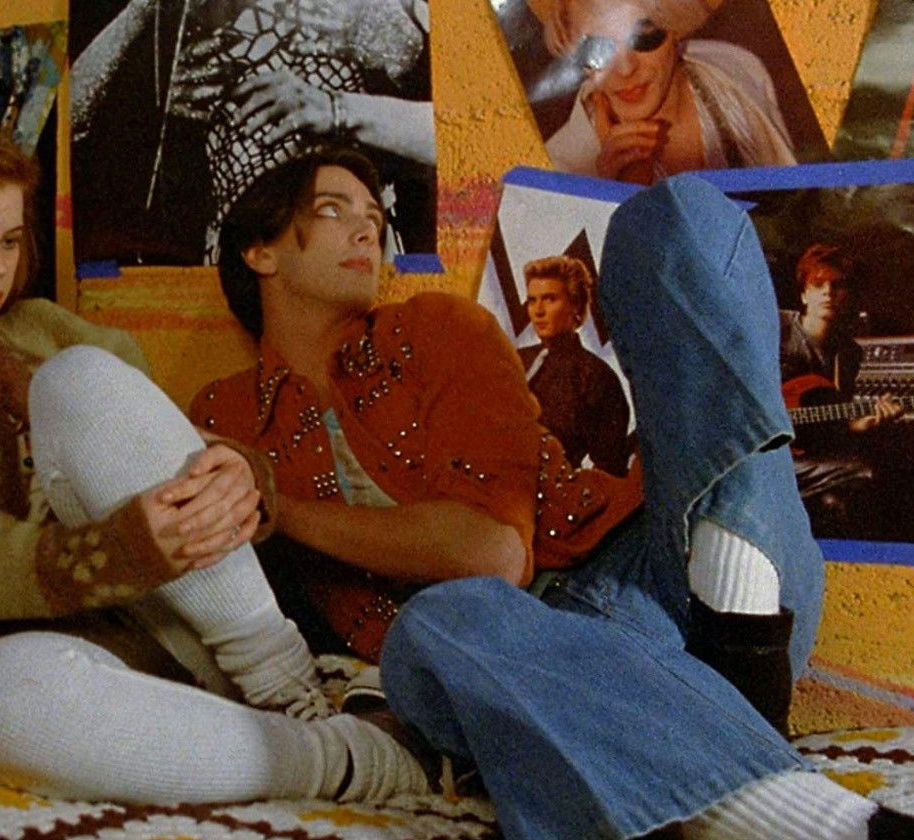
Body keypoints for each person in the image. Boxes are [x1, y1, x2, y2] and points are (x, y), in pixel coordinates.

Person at [191, 148, 909, 839]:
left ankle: (733, 653)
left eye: (374, 219)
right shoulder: (219, 419)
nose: (365, 230)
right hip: (532, 662)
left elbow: (492, 552)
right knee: (439, 623)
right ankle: (814, 803)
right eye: (332, 209)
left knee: (676, 215)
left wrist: (280, 511)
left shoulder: (437, 327)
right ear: (259, 251)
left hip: (667, 568)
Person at [0, 109, 430, 808]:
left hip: (162, 623)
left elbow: (150, 441)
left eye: (9, 240)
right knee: (2, 707)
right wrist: (110, 552)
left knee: (80, 378)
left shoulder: (40, 330)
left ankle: (284, 681)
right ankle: (340, 758)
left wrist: (242, 472)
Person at [70, 0, 435, 263]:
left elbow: (446, 135)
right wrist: (143, 9)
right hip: (236, 262)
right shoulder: (181, 19)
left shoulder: (357, 12)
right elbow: (69, 123)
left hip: (342, 246)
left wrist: (335, 108)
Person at [530, 0, 796, 184]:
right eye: (597, 49)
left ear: (674, 26)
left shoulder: (740, 71)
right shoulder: (559, 171)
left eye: (643, 36)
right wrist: (618, 200)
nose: (624, 69)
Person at [779, 243, 904, 536]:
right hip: (757, 448)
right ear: (803, 295)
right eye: (818, 284)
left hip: (801, 454)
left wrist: (860, 424)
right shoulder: (776, 327)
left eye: (837, 286)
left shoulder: (848, 354)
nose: (828, 293)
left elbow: (831, 422)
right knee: (861, 472)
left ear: (849, 297)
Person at [518, 254, 632, 476]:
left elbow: (610, 470)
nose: (538, 311)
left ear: (575, 305)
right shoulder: (514, 359)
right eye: (532, 300)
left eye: (550, 299)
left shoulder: (596, 377)